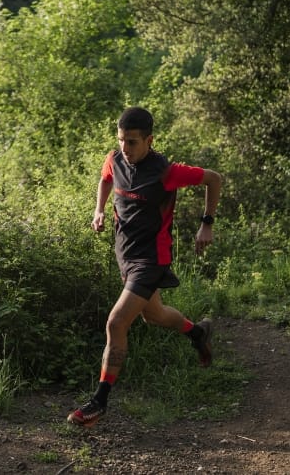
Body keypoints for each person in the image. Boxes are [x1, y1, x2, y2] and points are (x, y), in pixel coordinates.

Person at [67, 106, 222, 428]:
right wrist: (98, 210)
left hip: (151, 259)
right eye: (122, 140)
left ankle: (99, 402)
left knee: (116, 323)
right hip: (124, 253)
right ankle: (198, 332)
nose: (126, 148)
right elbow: (105, 178)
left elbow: (213, 179)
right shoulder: (115, 158)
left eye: (133, 142)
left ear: (149, 140)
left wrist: (206, 224)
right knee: (154, 316)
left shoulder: (167, 172)